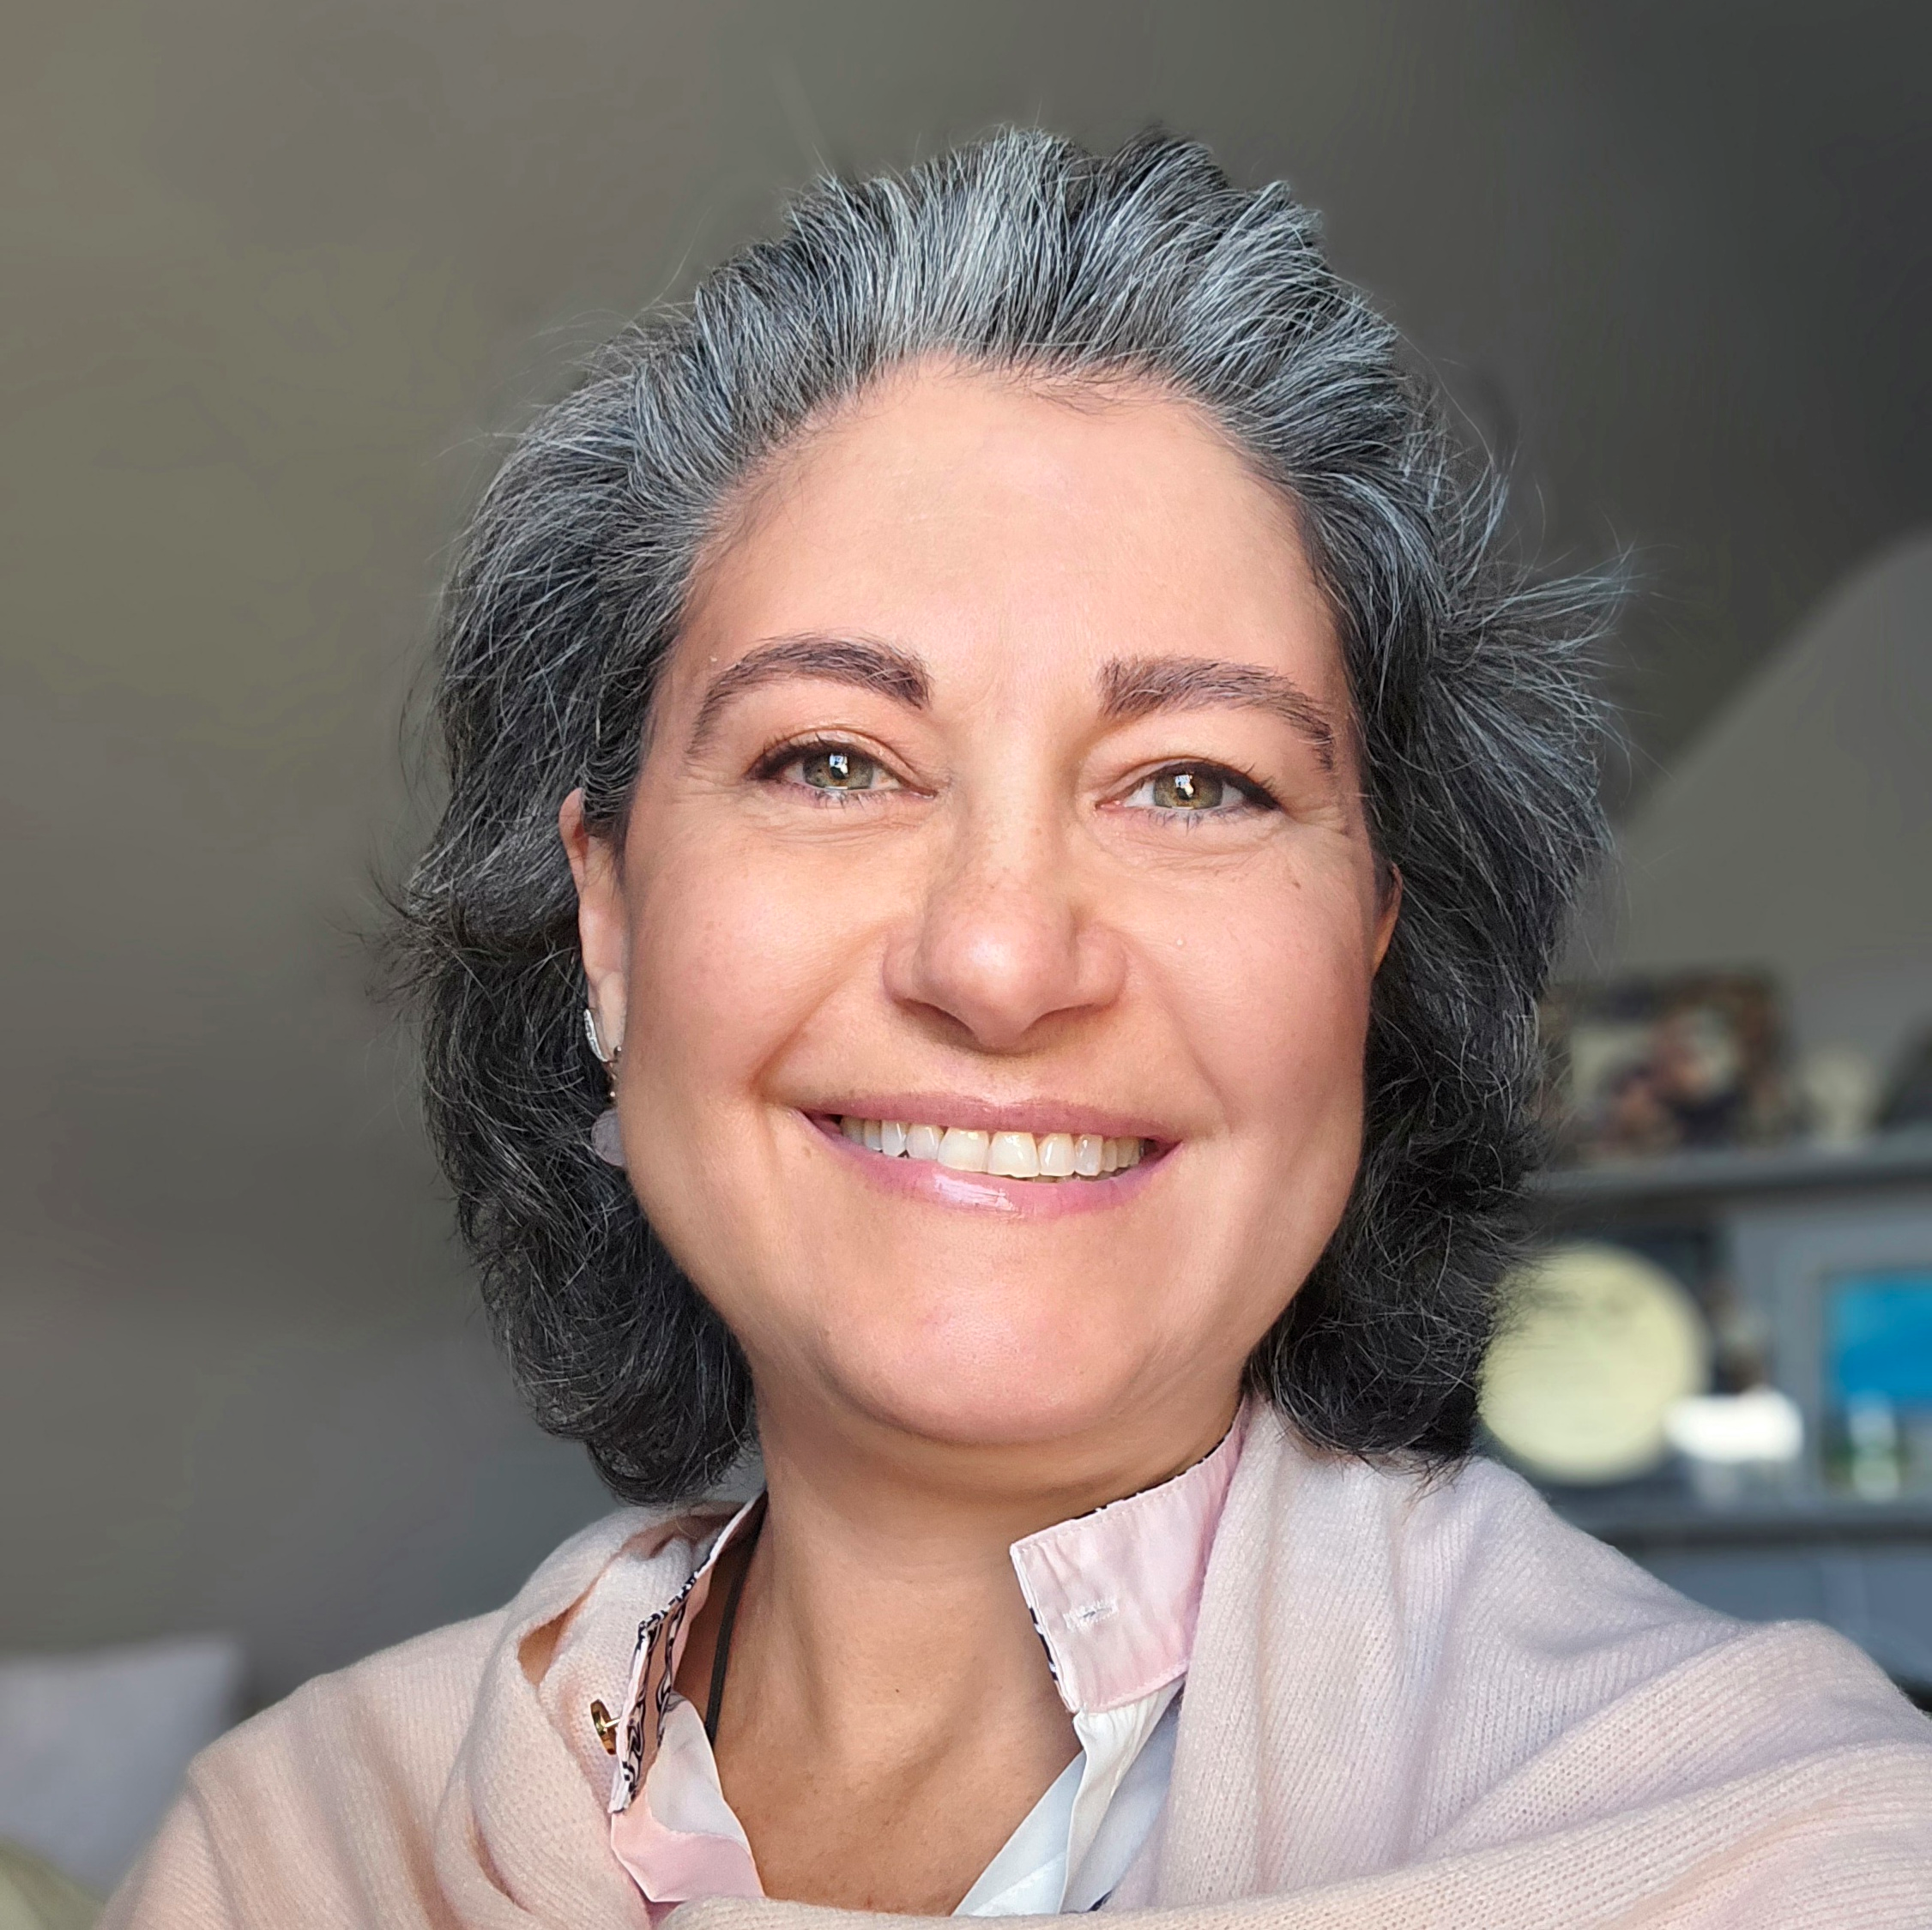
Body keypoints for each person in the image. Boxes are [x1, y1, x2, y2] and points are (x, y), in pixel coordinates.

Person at [104, 130, 1932, 1930]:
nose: (996, 956)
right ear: (612, 919)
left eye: (1195, 782)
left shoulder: (1796, 1860)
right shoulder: (291, 1861)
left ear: (1369, 951)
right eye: (832, 761)